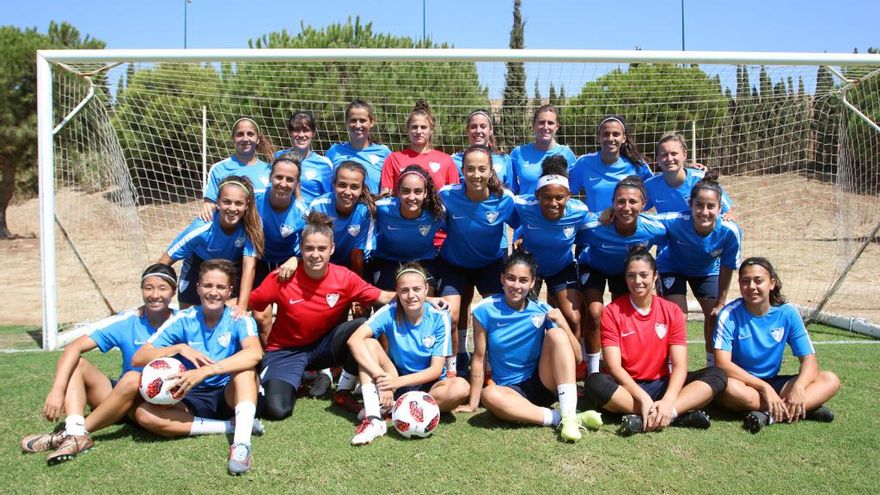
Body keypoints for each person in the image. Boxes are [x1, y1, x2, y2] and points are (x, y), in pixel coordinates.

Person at [249, 212, 425, 421]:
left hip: (324, 347)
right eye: (309, 248)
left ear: (332, 249)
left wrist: (426, 299)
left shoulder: (344, 277)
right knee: (275, 411)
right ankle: (297, 380)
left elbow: (384, 296)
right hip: (286, 352)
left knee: (360, 326)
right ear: (301, 249)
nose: (316, 254)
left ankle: (343, 391)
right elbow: (251, 305)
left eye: (322, 248)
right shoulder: (283, 277)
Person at [20, 264, 178, 465]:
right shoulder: (128, 321)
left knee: (133, 379)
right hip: (122, 397)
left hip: (153, 405)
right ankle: (76, 432)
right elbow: (73, 348)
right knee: (79, 364)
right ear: (141, 290)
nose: (155, 294)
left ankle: (70, 435)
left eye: (163, 288)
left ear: (174, 291)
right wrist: (57, 390)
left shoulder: (184, 321)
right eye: (148, 288)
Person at [131, 259, 263, 476]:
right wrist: (180, 347)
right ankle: (231, 426)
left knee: (246, 371)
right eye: (208, 286)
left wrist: (206, 371)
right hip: (191, 394)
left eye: (221, 287)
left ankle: (241, 445)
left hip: (227, 394)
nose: (213, 292)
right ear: (198, 288)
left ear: (230, 290)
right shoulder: (184, 319)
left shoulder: (239, 317)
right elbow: (139, 357)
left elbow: (254, 353)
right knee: (144, 415)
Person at [456, 250, 597, 442]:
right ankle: (561, 417)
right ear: (502, 279)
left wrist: (563, 323)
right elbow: (479, 358)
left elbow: (578, 358)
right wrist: (473, 403)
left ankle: (568, 415)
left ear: (532, 283)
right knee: (489, 395)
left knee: (556, 334)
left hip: (542, 383)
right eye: (511, 279)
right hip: (509, 391)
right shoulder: (485, 310)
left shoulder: (542, 310)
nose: (516, 285)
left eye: (523, 280)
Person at [585, 248, 727, 437]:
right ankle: (674, 416)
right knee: (594, 382)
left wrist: (668, 400)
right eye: (631, 276)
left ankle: (664, 413)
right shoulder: (612, 312)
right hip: (627, 387)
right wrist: (642, 397)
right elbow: (613, 366)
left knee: (717, 375)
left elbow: (679, 365)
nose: (638, 281)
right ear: (625, 278)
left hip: (662, 384)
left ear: (655, 277)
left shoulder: (672, 311)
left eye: (644, 275)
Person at [347, 263, 470, 445]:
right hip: (396, 378)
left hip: (429, 385)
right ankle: (374, 420)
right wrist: (383, 378)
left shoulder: (440, 317)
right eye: (404, 290)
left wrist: (395, 383)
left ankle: (393, 409)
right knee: (369, 344)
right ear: (397, 291)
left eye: (417, 289)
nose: (411, 295)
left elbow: (436, 370)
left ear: (426, 289)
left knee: (461, 387)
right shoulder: (389, 312)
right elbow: (354, 340)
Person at [713, 257, 840, 433]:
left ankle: (768, 414)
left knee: (830, 380)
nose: (751, 287)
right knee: (730, 389)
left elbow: (810, 360)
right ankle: (803, 408)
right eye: (745, 281)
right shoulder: (729, 314)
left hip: (774, 383)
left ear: (772, 283)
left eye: (758, 281)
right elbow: (722, 364)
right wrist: (764, 387)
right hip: (743, 383)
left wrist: (799, 387)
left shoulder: (787, 313)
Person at [577, 175, 667, 376]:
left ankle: (623, 366)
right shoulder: (596, 225)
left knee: (625, 317)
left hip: (625, 272)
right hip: (593, 267)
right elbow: (564, 228)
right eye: (620, 202)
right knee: (594, 312)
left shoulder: (654, 229)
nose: (626, 207)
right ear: (612, 204)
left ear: (643, 204)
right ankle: (592, 371)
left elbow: (677, 230)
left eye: (633, 201)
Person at [438, 145, 516, 377]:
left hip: (489, 265)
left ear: (492, 171)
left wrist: (520, 239)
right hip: (454, 264)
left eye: (482, 169)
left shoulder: (505, 199)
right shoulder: (447, 195)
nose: (476, 175)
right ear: (462, 170)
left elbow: (524, 220)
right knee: (450, 315)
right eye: (470, 169)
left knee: (497, 314)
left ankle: (495, 367)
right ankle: (455, 366)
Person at [653, 171, 743, 365]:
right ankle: (668, 367)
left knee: (715, 316)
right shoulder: (674, 220)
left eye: (711, 206)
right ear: (689, 205)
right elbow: (643, 221)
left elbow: (727, 266)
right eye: (699, 205)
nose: (704, 211)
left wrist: (721, 302)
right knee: (677, 316)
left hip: (707, 271)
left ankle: (711, 367)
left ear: (720, 208)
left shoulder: (730, 231)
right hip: (672, 267)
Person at [512, 156, 589, 351]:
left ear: (568, 196)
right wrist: (518, 237)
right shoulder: (523, 205)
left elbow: (595, 226)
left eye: (559, 197)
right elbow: (503, 205)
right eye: (546, 197)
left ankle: (573, 360)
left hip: (561, 267)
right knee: (524, 316)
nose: (553, 203)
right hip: (531, 268)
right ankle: (530, 360)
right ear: (537, 195)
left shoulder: (579, 211)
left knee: (573, 317)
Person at [160, 176, 264, 313]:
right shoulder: (201, 227)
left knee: (228, 313)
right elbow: (165, 260)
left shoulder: (251, 226)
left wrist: (242, 308)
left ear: (247, 205)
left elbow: (248, 267)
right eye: (227, 202)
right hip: (198, 264)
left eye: (238, 203)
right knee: (189, 315)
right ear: (218, 203)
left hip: (231, 266)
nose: (232, 208)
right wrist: (152, 289)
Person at [252, 155, 309, 340]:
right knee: (261, 317)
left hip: (288, 265)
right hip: (258, 262)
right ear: (270, 177)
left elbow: (313, 245)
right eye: (279, 177)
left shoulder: (302, 212)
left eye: (290, 179)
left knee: (295, 314)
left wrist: (297, 258)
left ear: (297, 183)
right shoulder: (252, 202)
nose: (283, 183)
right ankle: (265, 358)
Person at [372, 165, 445, 291]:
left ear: (425, 192)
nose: (411, 197)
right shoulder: (381, 209)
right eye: (406, 191)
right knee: (386, 302)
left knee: (425, 301)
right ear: (398, 192)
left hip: (424, 261)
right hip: (387, 260)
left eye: (418, 191)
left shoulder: (436, 213)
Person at [569, 115, 654, 213]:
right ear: (598, 138)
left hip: (625, 226)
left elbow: (653, 193)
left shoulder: (637, 165)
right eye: (606, 134)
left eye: (616, 134)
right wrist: (583, 214)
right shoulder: (584, 163)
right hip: (595, 226)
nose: (610, 138)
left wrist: (633, 214)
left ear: (623, 138)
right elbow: (568, 192)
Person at [309, 160, 376, 282]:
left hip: (354, 265)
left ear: (362, 189)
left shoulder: (366, 212)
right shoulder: (318, 206)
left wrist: (355, 288)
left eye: (354, 187)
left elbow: (357, 256)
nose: (347, 192)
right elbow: (312, 247)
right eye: (342, 185)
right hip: (323, 263)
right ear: (334, 185)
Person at [380, 99, 460, 196]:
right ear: (407, 129)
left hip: (436, 211)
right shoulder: (393, 159)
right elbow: (386, 195)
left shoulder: (446, 160)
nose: (418, 131)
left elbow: (454, 197)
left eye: (423, 127)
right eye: (414, 127)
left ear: (431, 130)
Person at [201, 117, 275, 221]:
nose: (245, 139)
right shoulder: (219, 169)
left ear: (258, 139)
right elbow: (209, 206)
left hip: (264, 233)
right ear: (233, 139)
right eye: (240, 134)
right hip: (232, 234)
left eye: (250, 134)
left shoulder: (270, 170)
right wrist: (207, 207)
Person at [645, 133, 734, 216]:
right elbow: (636, 208)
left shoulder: (702, 179)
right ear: (658, 159)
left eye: (674, 153)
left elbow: (729, 212)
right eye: (664, 155)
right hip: (670, 232)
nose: (669, 158)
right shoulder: (650, 185)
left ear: (684, 155)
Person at [326, 99, 392, 195]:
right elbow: (326, 185)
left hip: (372, 208)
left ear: (371, 122)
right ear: (346, 123)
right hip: (341, 208)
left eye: (362, 120)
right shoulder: (334, 151)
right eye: (353, 120)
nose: (357, 125)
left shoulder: (384, 152)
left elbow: (388, 188)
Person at [510, 104, 577, 195]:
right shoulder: (518, 153)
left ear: (557, 127)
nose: (546, 127)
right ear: (533, 125)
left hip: (556, 209)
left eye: (550, 123)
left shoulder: (567, 154)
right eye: (541, 122)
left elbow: (571, 190)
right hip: (526, 209)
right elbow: (512, 188)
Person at [274, 111, 333, 205]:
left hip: (311, 217)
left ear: (313, 133)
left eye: (306, 130)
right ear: (289, 132)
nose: (301, 135)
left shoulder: (324, 164)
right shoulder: (278, 157)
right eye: (296, 130)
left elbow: (329, 199)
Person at [451, 109, 516, 190]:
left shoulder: (504, 160)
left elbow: (512, 192)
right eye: (473, 127)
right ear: (467, 130)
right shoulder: (455, 161)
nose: (478, 131)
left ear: (490, 130)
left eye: (483, 126)